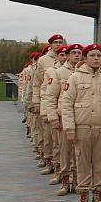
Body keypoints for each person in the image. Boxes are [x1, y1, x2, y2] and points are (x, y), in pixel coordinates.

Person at [61, 44, 101, 202]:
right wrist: (70, 129)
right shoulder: (75, 78)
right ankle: (83, 198)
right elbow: (66, 105)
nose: (96, 58)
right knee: (82, 162)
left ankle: (98, 197)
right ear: (85, 58)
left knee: (100, 164)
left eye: (98, 55)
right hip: (82, 128)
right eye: (92, 55)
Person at [43, 44, 82, 195]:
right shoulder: (58, 73)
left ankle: (78, 181)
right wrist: (53, 118)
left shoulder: (83, 73)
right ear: (67, 55)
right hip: (63, 116)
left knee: (79, 152)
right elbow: (50, 96)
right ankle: (65, 181)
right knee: (64, 151)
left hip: (80, 117)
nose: (76, 56)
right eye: (73, 53)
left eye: (79, 53)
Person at [39, 45, 67, 178]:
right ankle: (56, 169)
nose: (65, 57)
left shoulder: (77, 71)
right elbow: (46, 93)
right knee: (55, 143)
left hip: (72, 114)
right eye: (61, 55)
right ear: (56, 56)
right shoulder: (51, 71)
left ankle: (70, 175)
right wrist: (46, 113)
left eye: (67, 54)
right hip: (56, 112)